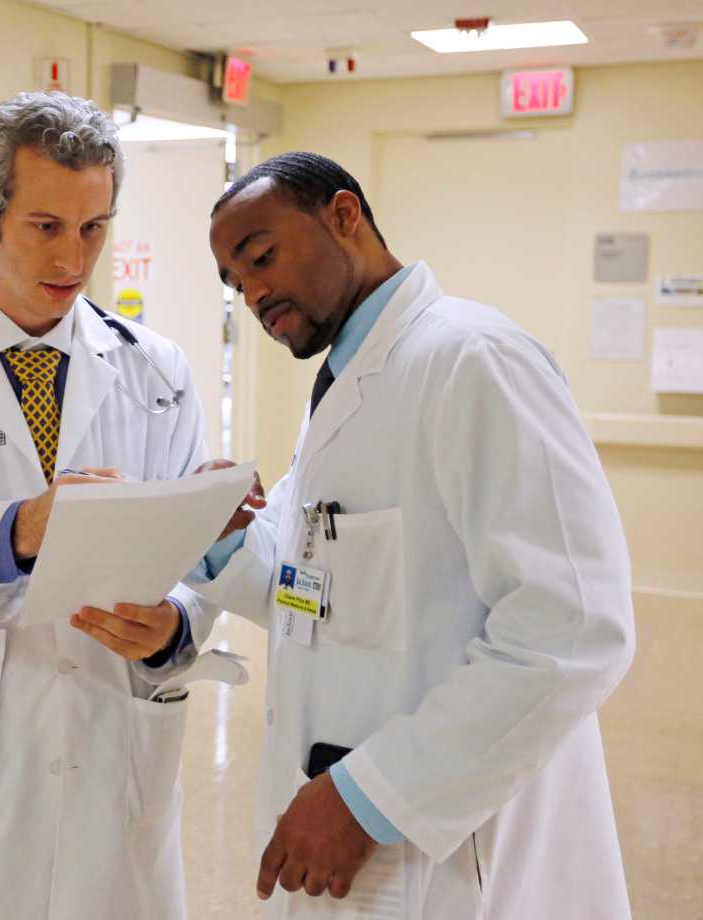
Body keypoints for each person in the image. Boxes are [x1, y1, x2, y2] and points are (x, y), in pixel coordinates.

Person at [0, 91, 257, 920]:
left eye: (94, 227)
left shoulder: (156, 369)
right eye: (45, 226)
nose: (74, 257)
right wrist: (21, 526)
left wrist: (174, 625)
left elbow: (195, 558)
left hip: (109, 728)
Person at [196, 151, 635, 918]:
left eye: (262, 257)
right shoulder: (349, 382)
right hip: (349, 817)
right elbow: (322, 591)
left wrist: (372, 796)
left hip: (450, 852)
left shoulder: (473, 360)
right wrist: (231, 540)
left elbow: (574, 629)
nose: (255, 293)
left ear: (343, 216)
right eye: (236, 284)